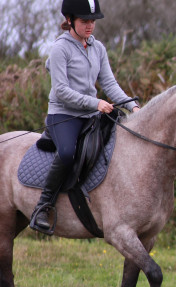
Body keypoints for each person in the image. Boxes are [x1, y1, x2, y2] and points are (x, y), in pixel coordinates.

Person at [30, 0, 139, 234]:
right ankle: (43, 206)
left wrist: (132, 106)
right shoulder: (61, 48)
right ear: (70, 20)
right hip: (64, 115)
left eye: (92, 21)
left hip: (91, 114)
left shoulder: (97, 47)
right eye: (84, 21)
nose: (90, 26)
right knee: (68, 153)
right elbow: (61, 90)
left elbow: (109, 83)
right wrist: (96, 102)